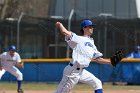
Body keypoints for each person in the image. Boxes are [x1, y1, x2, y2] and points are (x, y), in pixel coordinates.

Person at [55, 20, 112, 93]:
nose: (92, 28)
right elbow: (65, 32)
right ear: (84, 28)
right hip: (73, 71)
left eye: (92, 27)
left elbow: (98, 59)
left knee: (97, 83)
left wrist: (110, 61)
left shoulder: (91, 43)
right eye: (90, 27)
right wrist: (60, 24)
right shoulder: (78, 39)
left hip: (81, 71)